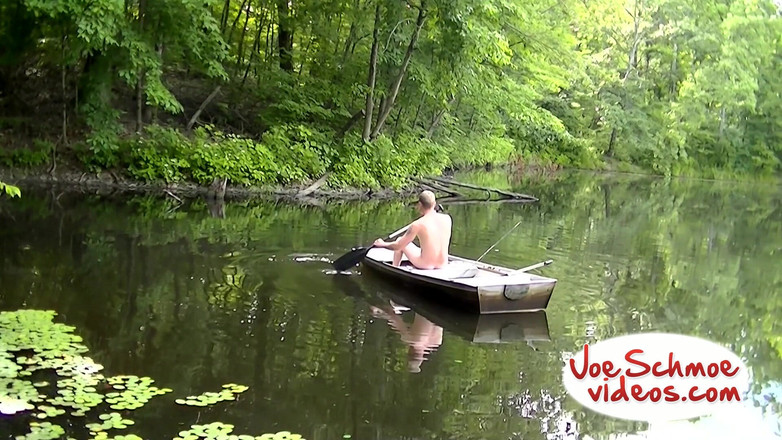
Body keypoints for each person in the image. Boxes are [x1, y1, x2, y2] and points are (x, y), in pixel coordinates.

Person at [373, 190, 452, 269]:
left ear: (420, 204)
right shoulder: (447, 219)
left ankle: (394, 267)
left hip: (425, 265)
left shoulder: (417, 224)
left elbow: (398, 246)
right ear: (434, 204)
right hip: (443, 264)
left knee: (400, 240)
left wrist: (382, 244)